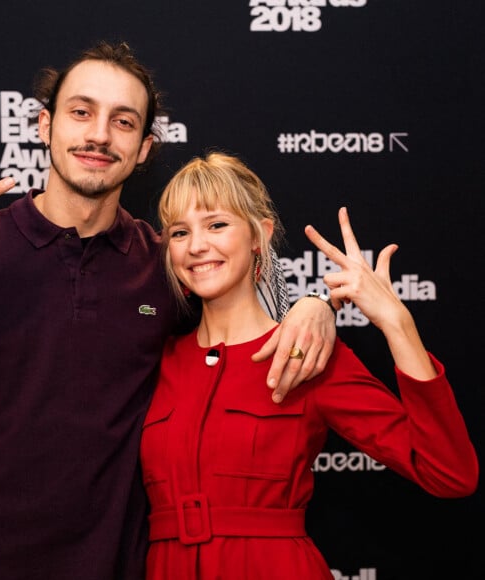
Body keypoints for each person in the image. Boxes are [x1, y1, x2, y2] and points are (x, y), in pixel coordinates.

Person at [0, 42, 337, 579]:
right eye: (81, 112)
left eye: (123, 121)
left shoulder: (164, 265)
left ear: (145, 148)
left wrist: (313, 304)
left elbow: (243, 321)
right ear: (44, 126)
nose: (99, 135)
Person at [138, 152, 478, 579]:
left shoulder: (309, 353)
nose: (196, 246)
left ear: (259, 235)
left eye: (217, 224)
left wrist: (397, 322)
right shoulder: (154, 359)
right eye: (179, 232)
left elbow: (449, 472)